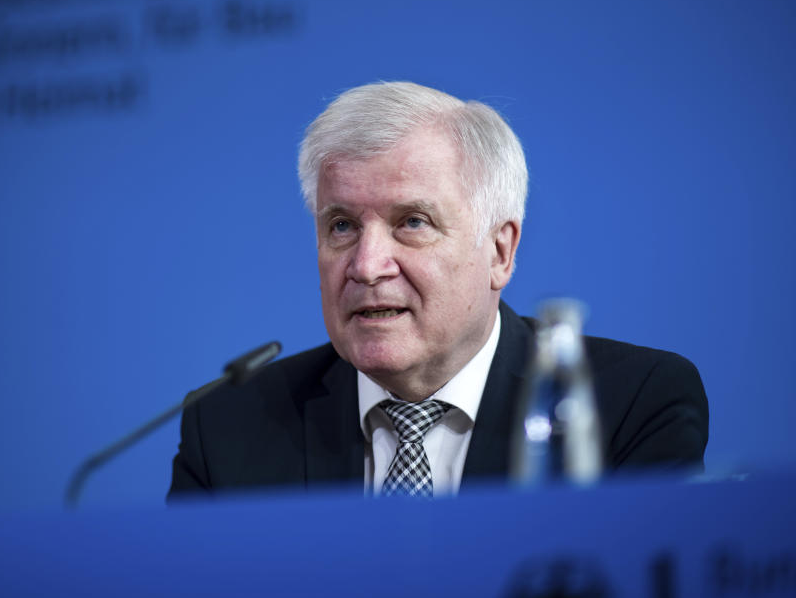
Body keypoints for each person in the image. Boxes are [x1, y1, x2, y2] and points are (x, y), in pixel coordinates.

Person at [168, 81, 708, 499]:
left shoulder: (626, 407)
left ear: (500, 252)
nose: (366, 265)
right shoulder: (228, 427)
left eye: (413, 222)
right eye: (341, 226)